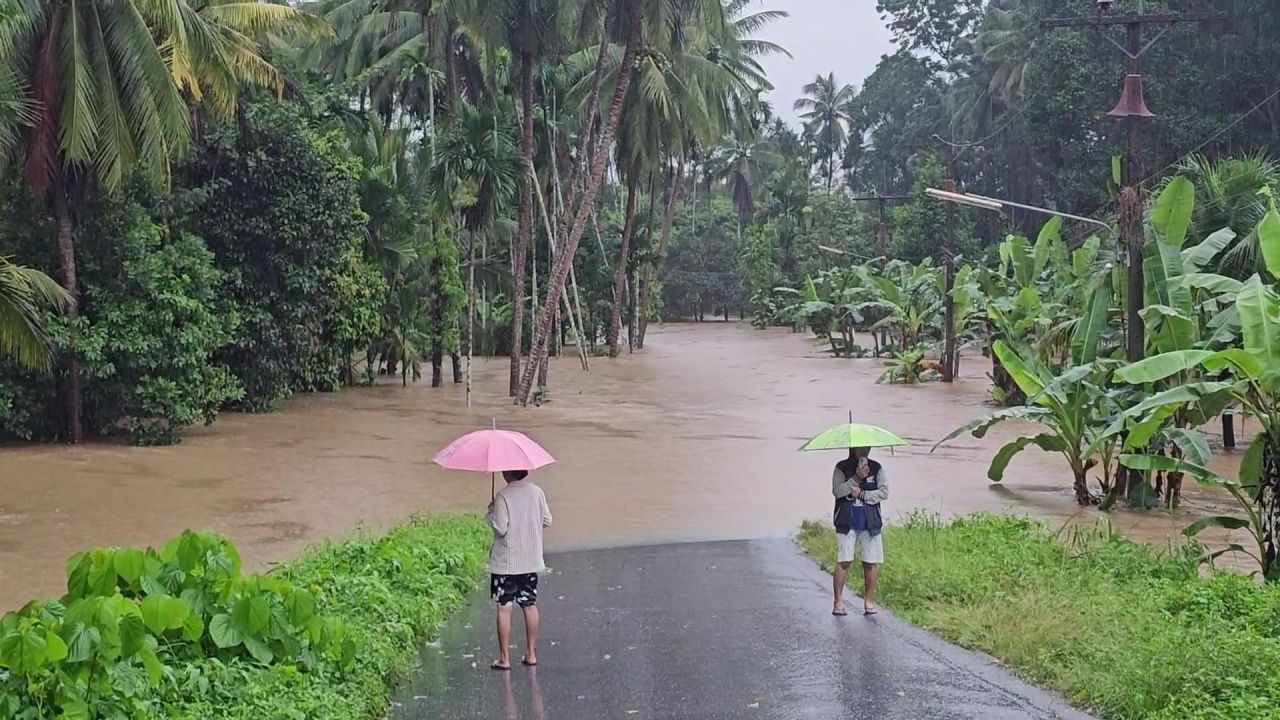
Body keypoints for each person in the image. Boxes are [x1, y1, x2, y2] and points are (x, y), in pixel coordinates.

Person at [486, 469, 553, 670]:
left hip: (506, 563)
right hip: (530, 561)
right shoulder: (537, 492)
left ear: (507, 473)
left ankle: (504, 658)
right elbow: (547, 520)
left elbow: (500, 528)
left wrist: (490, 512)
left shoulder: (503, 496)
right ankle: (531, 653)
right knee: (529, 604)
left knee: (504, 607)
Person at [831, 447, 888, 616]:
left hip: (870, 522)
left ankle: (869, 601)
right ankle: (838, 601)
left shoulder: (877, 468)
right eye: (860, 447)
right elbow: (837, 491)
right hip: (846, 521)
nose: (864, 450)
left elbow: (884, 493)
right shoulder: (841, 467)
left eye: (867, 447)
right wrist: (857, 477)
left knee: (871, 562)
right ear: (852, 448)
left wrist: (863, 494)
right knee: (844, 561)